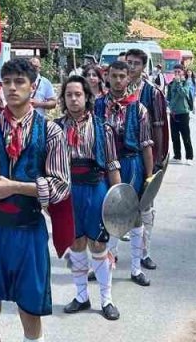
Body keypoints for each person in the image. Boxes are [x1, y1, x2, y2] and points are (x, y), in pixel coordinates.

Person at [0, 56, 71, 342]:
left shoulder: (51, 131)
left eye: (19, 82)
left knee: (30, 310)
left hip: (27, 229)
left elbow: (60, 186)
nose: (12, 88)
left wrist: (16, 187)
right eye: (6, 82)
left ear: (33, 87)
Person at [56, 75, 121, 321]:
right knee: (76, 243)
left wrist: (119, 201)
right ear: (63, 99)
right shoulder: (56, 128)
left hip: (96, 189)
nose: (73, 99)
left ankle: (107, 299)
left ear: (87, 97)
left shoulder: (103, 127)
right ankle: (82, 296)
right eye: (69, 95)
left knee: (99, 245)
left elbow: (113, 165)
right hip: (69, 192)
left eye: (78, 94)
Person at [98, 60, 156, 286]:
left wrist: (149, 176)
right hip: (105, 165)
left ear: (129, 78)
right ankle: (105, 265)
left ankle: (135, 268)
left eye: (123, 76)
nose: (118, 80)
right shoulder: (98, 105)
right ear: (108, 77)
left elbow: (146, 144)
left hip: (132, 164)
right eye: (114, 76)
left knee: (134, 215)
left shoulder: (138, 108)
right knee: (108, 215)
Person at [124, 48, 168, 272]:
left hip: (145, 158)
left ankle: (144, 253)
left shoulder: (152, 93)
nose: (131, 67)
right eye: (128, 62)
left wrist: (157, 162)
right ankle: (105, 257)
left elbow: (159, 127)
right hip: (120, 159)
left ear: (144, 67)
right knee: (116, 206)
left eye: (136, 63)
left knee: (144, 206)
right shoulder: (116, 90)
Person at [166, 68, 196, 164]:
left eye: (179, 72)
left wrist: (179, 83)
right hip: (173, 113)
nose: (177, 73)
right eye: (175, 72)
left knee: (185, 135)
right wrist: (168, 106)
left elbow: (183, 93)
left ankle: (189, 157)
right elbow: (168, 97)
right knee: (175, 136)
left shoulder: (186, 83)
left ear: (183, 72)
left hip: (183, 112)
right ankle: (177, 156)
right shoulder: (171, 84)